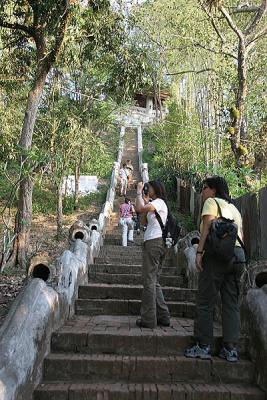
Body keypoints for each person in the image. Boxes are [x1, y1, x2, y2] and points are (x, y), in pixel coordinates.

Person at [185, 176, 246, 362]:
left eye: (204, 188)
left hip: (217, 256)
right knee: (231, 302)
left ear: (213, 190)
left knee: (205, 300)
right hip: (238, 256)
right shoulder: (234, 208)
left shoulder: (211, 202)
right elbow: (241, 235)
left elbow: (206, 228)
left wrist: (199, 252)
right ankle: (230, 349)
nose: (202, 191)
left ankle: (203, 345)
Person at [135, 180, 170, 329]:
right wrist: (145, 200)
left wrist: (138, 192)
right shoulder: (154, 204)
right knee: (154, 281)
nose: (147, 189)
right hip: (155, 242)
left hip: (154, 243)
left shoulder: (160, 202)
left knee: (149, 280)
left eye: (149, 188)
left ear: (157, 189)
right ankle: (163, 316)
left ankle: (148, 319)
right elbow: (142, 219)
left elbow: (139, 208)